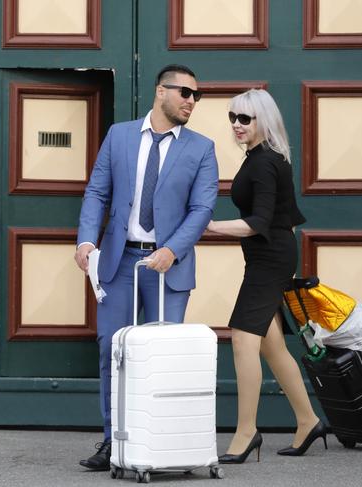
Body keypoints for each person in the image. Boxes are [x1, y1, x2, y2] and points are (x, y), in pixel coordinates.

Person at [74, 65, 219, 471]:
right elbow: (98, 190)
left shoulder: (202, 148)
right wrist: (87, 239)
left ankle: (158, 446)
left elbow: (203, 208)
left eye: (196, 96)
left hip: (167, 267)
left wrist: (172, 250)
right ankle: (112, 442)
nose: (192, 101)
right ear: (161, 91)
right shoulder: (119, 135)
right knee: (112, 352)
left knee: (161, 357)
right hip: (120, 261)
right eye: (185, 93)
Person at [207, 89, 326, 463]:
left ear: (263, 120)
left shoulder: (264, 163)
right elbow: (284, 218)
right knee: (270, 345)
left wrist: (207, 226)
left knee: (242, 338)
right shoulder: (265, 158)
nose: (237, 125)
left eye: (246, 118)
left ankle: (247, 431)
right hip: (269, 257)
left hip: (268, 259)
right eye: (233, 118)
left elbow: (259, 223)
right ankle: (308, 421)